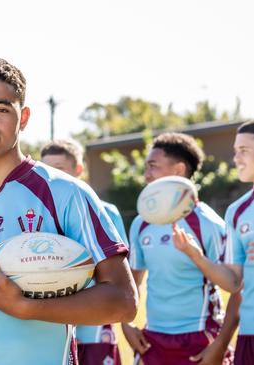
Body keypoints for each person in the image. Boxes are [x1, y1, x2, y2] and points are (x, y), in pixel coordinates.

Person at [0, 57, 137, 365]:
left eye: (2, 108)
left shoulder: (66, 193)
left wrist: (28, 308)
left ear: (25, 116)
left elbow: (123, 301)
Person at [123, 132, 236, 364]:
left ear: (178, 170)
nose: (146, 175)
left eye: (153, 167)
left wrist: (220, 344)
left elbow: (236, 287)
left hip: (200, 338)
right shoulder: (141, 223)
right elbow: (133, 282)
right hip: (152, 340)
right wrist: (127, 324)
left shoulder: (209, 224)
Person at [41, 138, 127, 364]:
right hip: (52, 324)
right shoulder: (38, 213)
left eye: (57, 168)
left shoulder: (106, 212)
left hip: (93, 328)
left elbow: (119, 276)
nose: (50, 176)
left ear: (78, 170)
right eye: (46, 169)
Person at [221, 120, 254, 364]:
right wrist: (195, 256)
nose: (236, 158)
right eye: (235, 151)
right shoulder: (236, 211)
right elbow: (234, 282)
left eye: (244, 150)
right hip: (249, 332)